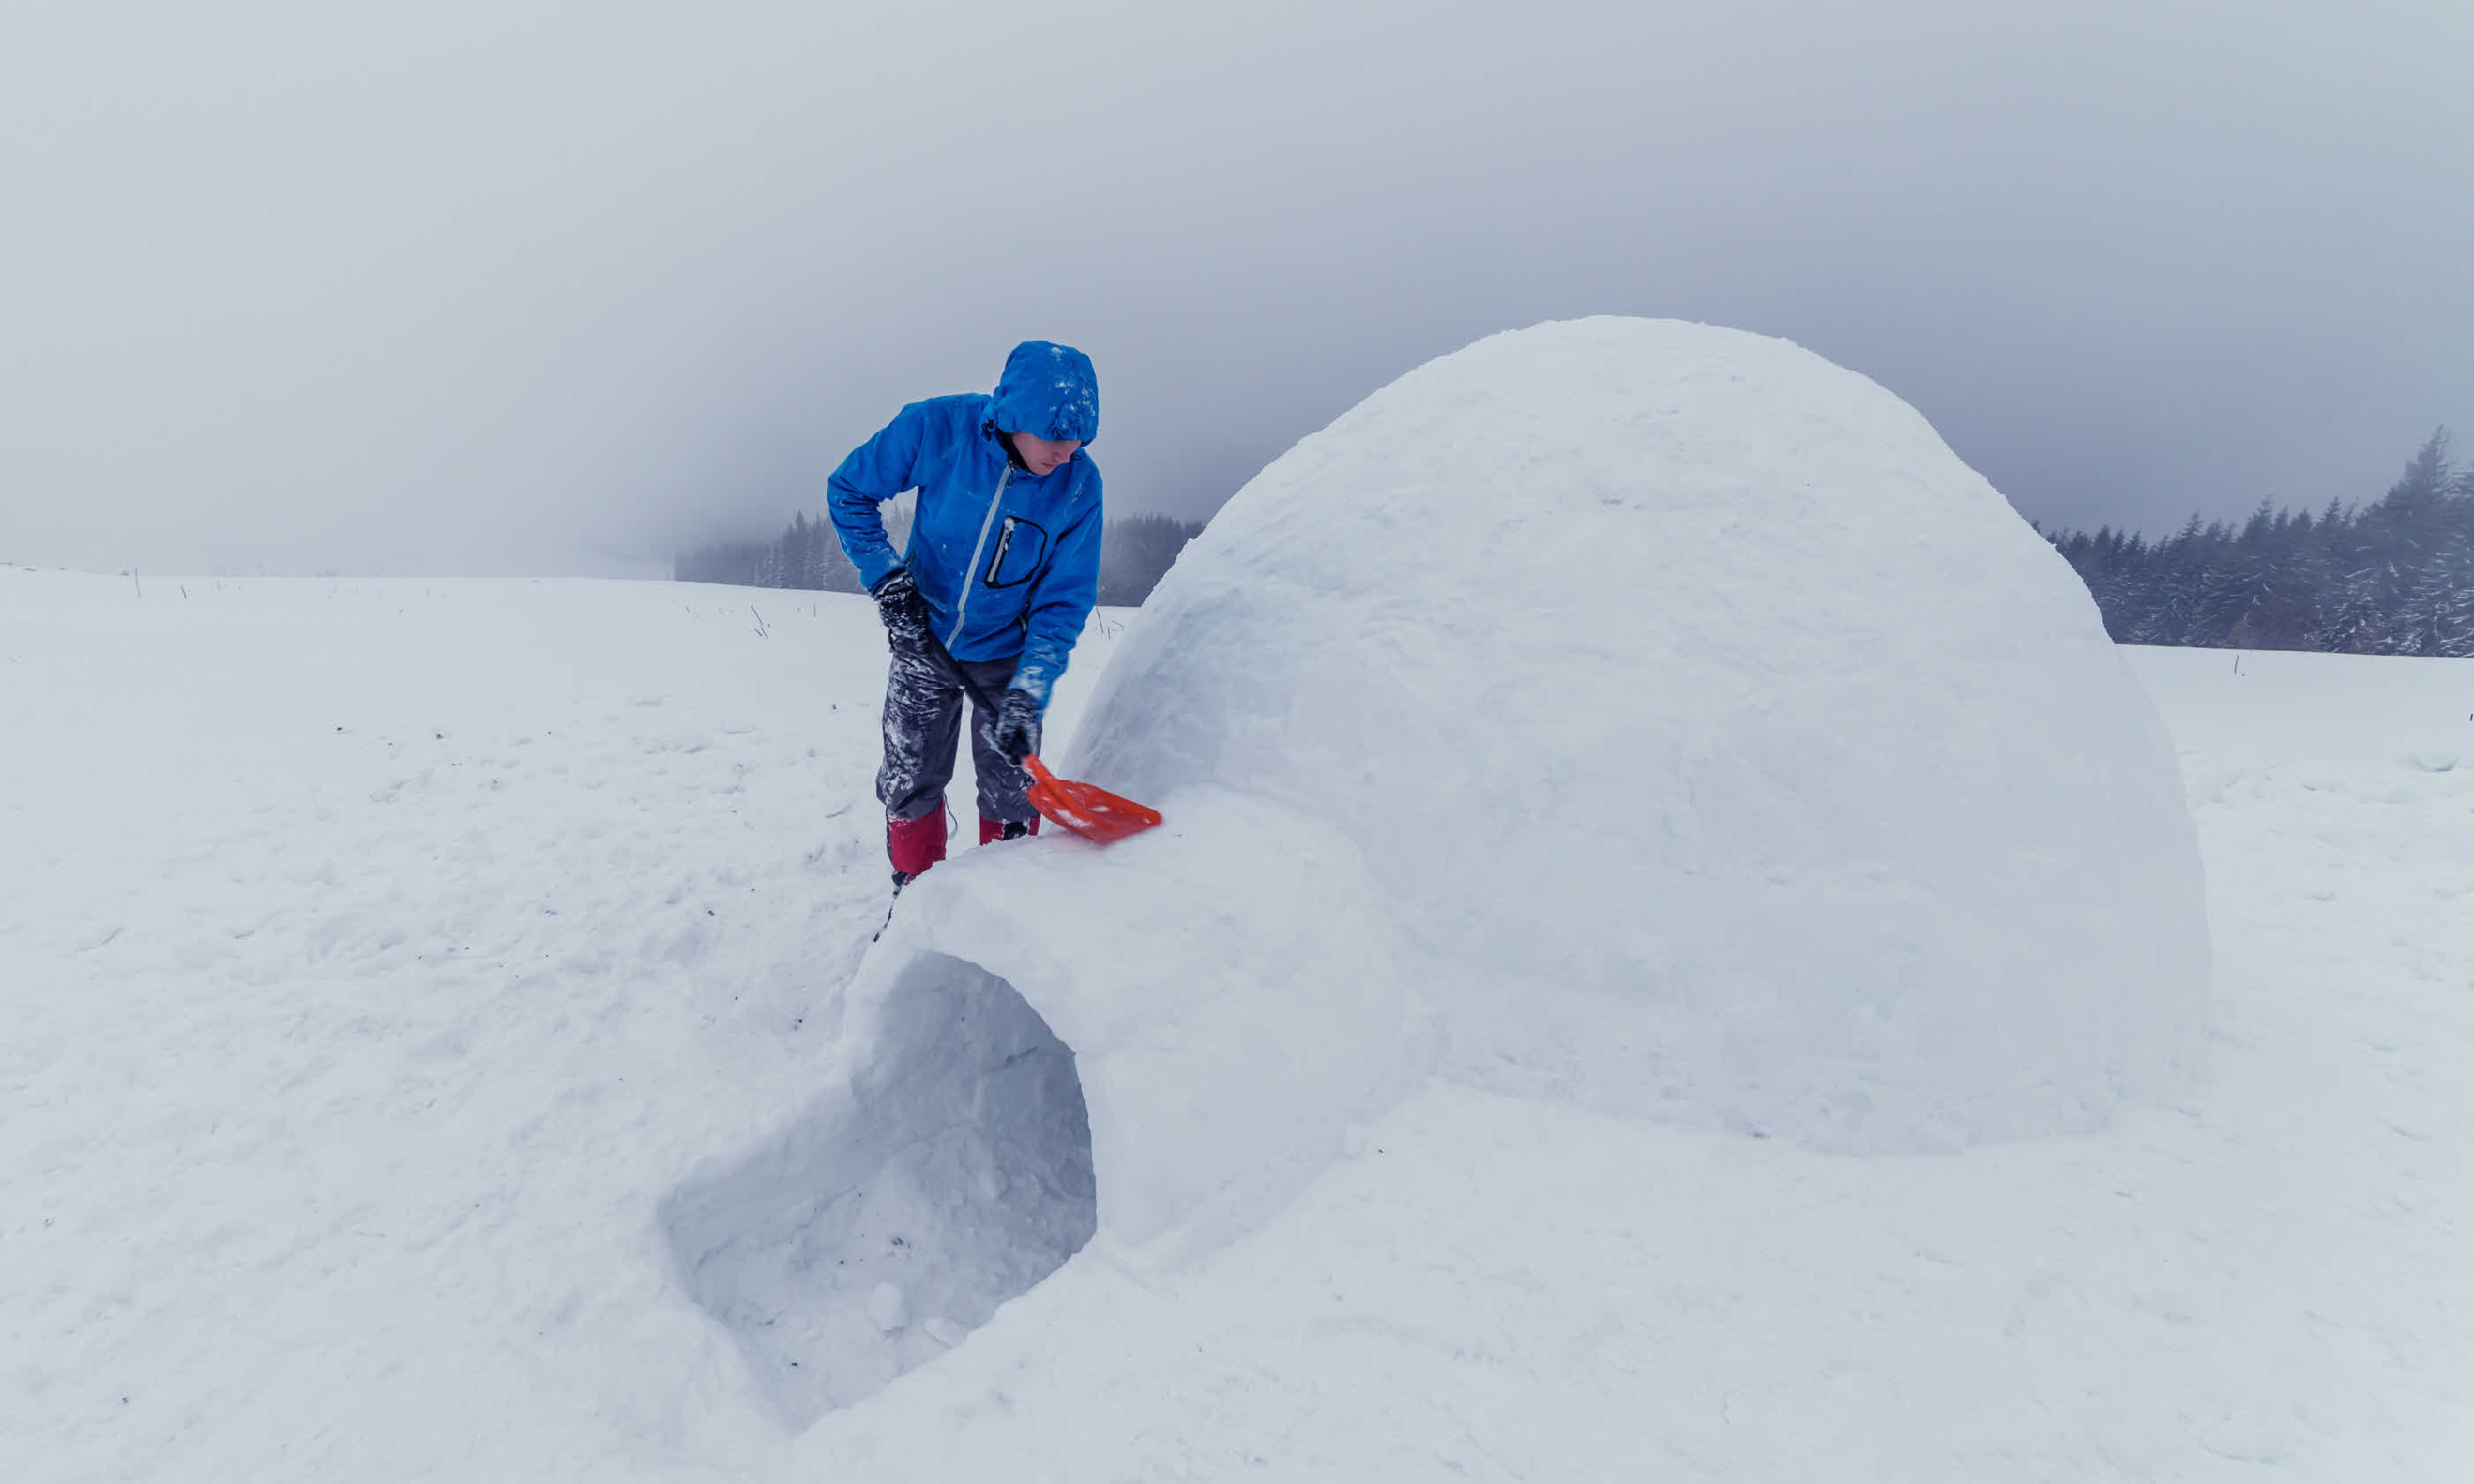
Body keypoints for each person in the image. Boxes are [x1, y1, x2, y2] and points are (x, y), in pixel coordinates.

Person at [827, 340, 1104, 897]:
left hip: (1006, 656)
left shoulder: (1078, 486)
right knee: (912, 779)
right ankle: (915, 899)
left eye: (1078, 441)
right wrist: (886, 578)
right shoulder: (938, 428)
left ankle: (997, 906)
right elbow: (850, 489)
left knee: (1012, 791)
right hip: (921, 640)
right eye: (1055, 437)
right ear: (1016, 416)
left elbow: (1064, 600)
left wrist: (1029, 691)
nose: (1066, 454)